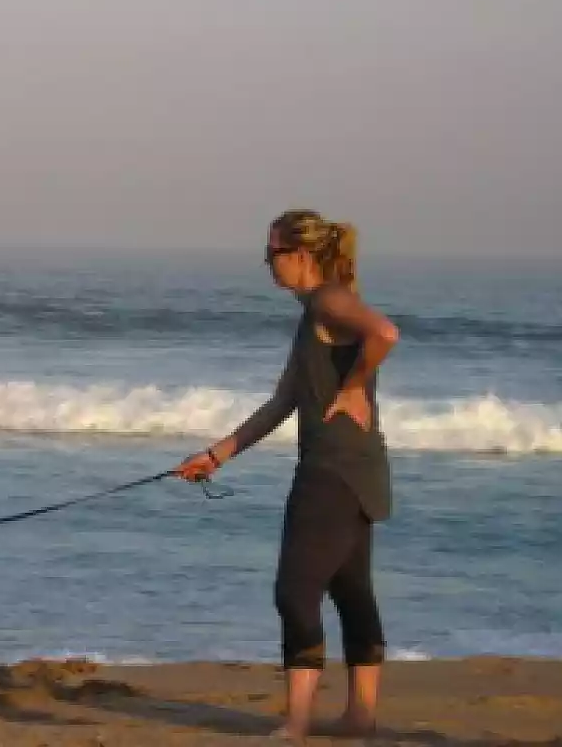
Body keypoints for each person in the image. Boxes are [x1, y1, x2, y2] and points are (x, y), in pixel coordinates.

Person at [172, 209, 399, 743]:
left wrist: (354, 384)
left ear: (300, 255)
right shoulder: (312, 313)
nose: (267, 264)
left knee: (294, 593)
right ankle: (360, 717)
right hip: (359, 470)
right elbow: (283, 402)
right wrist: (217, 454)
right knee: (350, 590)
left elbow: (385, 332)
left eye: (272, 253)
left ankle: (296, 723)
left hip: (331, 474)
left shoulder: (328, 300)